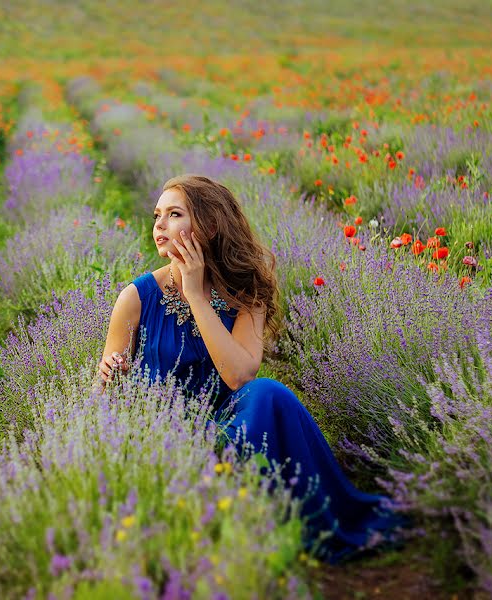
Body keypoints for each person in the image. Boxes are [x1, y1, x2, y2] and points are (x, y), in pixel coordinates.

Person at [97, 174, 406, 563]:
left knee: (268, 393)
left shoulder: (247, 291)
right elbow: (102, 396)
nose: (159, 225)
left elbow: (240, 375)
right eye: (157, 215)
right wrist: (112, 376)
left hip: (234, 429)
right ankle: (233, 520)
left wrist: (195, 295)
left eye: (174, 214)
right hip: (167, 438)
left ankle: (279, 515)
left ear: (208, 227)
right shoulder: (136, 298)